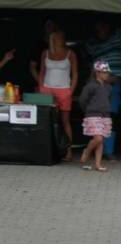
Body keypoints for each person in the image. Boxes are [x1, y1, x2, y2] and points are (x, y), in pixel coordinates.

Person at [85, 15, 121, 157]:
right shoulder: (91, 44)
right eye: (98, 28)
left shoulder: (118, 36)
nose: (101, 30)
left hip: (114, 84)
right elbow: (87, 64)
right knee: (98, 118)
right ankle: (98, 149)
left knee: (111, 117)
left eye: (103, 27)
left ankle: (108, 151)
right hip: (98, 86)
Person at [30, 30, 77, 162]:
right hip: (47, 89)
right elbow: (42, 73)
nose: (61, 39)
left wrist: (70, 91)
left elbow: (75, 74)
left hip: (63, 90)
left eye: (62, 37)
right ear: (53, 39)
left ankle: (68, 151)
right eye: (58, 38)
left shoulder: (70, 53)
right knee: (46, 120)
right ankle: (46, 150)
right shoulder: (45, 53)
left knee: (65, 121)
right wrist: (41, 87)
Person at [78, 61, 113, 172]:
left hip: (105, 115)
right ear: (97, 73)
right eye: (104, 72)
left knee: (100, 140)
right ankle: (87, 151)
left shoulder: (108, 87)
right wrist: (88, 110)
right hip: (93, 115)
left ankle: (98, 164)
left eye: (107, 72)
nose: (107, 74)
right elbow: (82, 100)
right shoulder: (90, 86)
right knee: (98, 138)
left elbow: (109, 99)